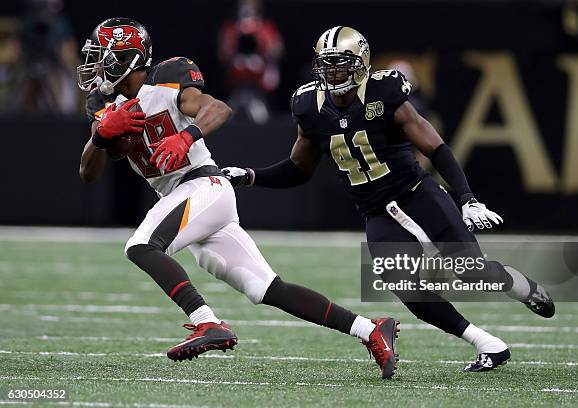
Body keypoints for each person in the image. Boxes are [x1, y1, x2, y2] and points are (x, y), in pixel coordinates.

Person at [76, 18, 399, 379]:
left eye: (102, 57)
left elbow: (218, 109)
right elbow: (88, 173)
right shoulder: (101, 102)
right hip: (183, 198)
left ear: (127, 58)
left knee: (141, 245)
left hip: (203, 186)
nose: (97, 66)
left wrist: (186, 137)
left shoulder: (166, 78)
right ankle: (370, 329)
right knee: (267, 288)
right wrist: (101, 138)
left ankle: (207, 323)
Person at [222, 26, 555, 372]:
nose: (333, 72)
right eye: (327, 64)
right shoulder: (309, 106)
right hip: (375, 212)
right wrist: (251, 176)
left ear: (361, 63)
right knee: (405, 287)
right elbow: (298, 168)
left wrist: (467, 198)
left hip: (417, 194)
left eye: (341, 63)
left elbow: (434, 146)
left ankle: (522, 286)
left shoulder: (385, 91)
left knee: (472, 272)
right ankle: (488, 344)